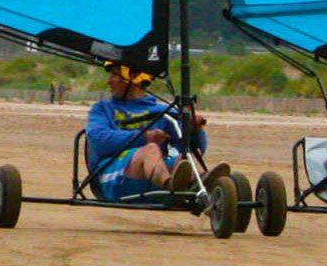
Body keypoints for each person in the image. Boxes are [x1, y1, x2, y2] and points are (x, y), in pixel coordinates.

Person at [85, 63, 225, 202]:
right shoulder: (102, 109)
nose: (109, 81)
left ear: (133, 77)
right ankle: (170, 189)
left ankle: (204, 188)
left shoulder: (162, 111)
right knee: (151, 149)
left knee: (188, 156)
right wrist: (144, 138)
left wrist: (194, 130)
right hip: (112, 177)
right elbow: (98, 140)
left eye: (115, 75)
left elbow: (193, 148)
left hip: (154, 173)